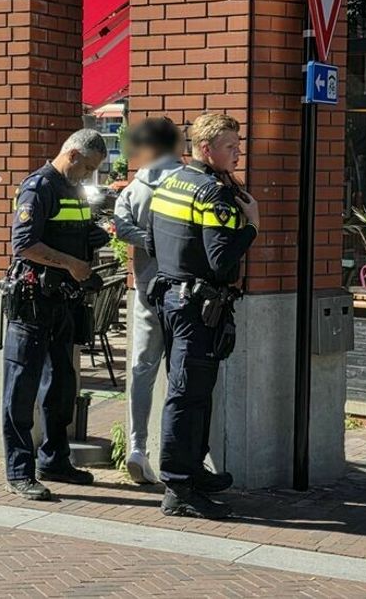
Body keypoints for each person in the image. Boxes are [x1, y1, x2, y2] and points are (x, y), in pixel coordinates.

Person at [147, 112, 259, 519]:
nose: (238, 153)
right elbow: (222, 261)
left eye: (239, 145)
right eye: (232, 147)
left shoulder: (169, 181)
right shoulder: (213, 194)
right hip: (197, 306)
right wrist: (251, 227)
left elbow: (150, 240)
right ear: (207, 149)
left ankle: (193, 469)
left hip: (171, 297)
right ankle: (179, 486)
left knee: (192, 391)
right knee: (187, 393)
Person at [1, 129, 112, 501]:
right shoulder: (39, 186)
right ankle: (19, 471)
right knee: (21, 389)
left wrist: (95, 236)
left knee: (62, 385)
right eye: (90, 167)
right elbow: (25, 244)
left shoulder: (73, 188)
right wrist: (73, 264)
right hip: (33, 300)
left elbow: (68, 230)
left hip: (62, 301)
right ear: (75, 154)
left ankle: (55, 459)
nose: (90, 175)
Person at [111, 117, 184, 484]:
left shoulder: (133, 188)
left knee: (141, 368)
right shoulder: (186, 182)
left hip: (144, 288)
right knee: (181, 370)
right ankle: (178, 452)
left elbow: (120, 226)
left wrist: (146, 239)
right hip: (182, 290)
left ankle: (137, 447)